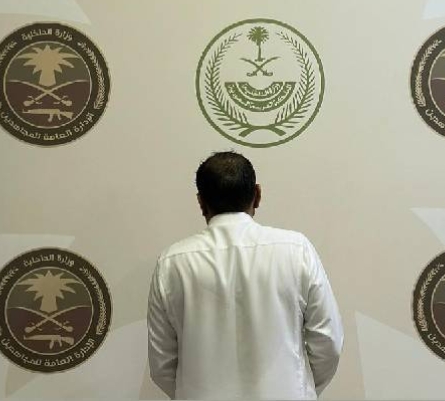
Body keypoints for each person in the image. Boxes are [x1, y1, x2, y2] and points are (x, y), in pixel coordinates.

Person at [147, 151, 343, 400]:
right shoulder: (296, 250)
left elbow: (162, 365)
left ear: (200, 202)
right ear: (257, 195)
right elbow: (328, 342)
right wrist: (300, 388)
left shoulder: (171, 262)